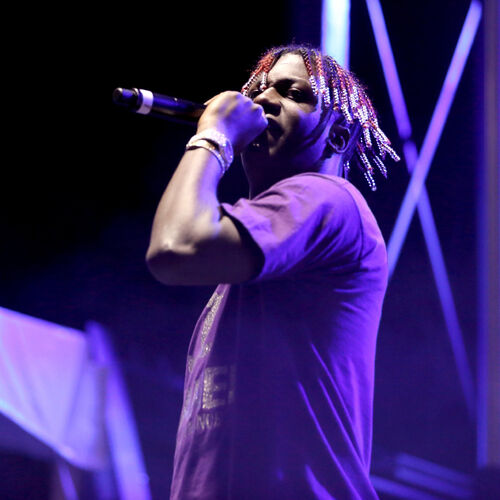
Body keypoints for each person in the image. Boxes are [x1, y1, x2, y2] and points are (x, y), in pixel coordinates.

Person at [146, 43, 399, 499]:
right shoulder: (251, 261)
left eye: (293, 93)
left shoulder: (328, 199)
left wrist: (212, 138)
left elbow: (175, 247)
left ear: (338, 136)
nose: (262, 99)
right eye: (256, 90)